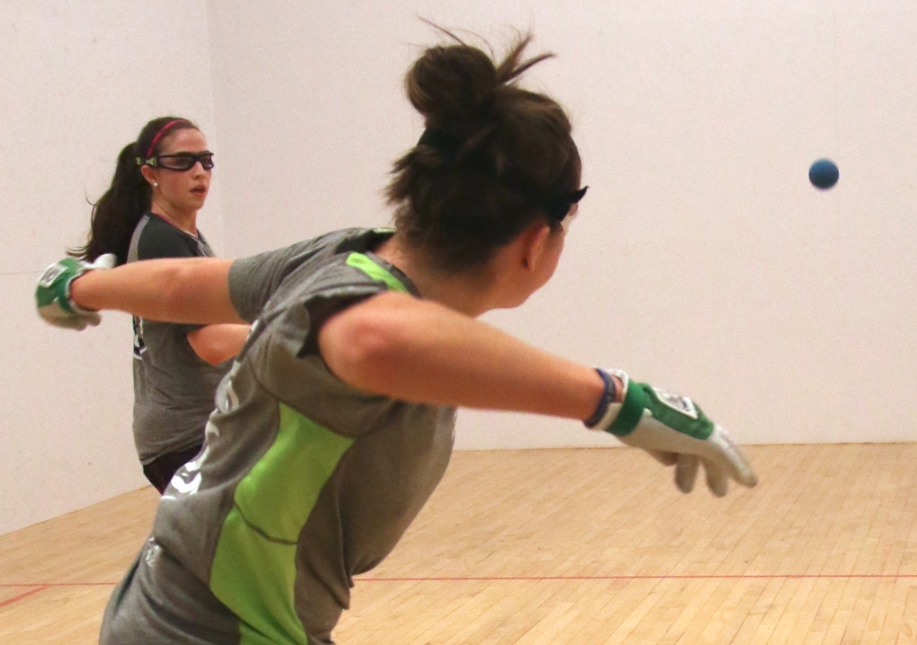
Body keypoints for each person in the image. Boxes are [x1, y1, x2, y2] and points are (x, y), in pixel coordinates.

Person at [37, 30, 757, 645]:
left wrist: (77, 286)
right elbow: (371, 339)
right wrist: (616, 400)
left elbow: (179, 285)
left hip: (176, 611)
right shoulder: (357, 304)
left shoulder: (339, 253)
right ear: (535, 243)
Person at [69, 117, 250, 493]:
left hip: (197, 433)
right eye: (182, 161)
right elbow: (211, 342)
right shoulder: (161, 241)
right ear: (151, 173)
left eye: (205, 160)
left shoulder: (182, 235)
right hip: (186, 440)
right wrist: (289, 327)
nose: (199, 172)